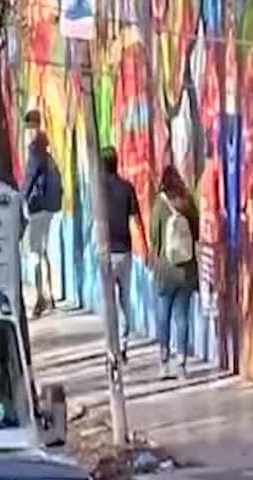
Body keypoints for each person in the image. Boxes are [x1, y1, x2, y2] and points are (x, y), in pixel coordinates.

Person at [149, 164, 200, 380]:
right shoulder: (187, 202)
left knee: (163, 315)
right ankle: (182, 363)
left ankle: (163, 361)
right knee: (182, 316)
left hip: (166, 269)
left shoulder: (160, 205)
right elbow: (196, 232)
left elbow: (155, 237)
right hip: (186, 269)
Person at [100, 147, 145, 362]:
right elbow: (136, 219)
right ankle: (124, 343)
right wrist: (144, 246)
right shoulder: (127, 188)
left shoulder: (98, 190)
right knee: (125, 299)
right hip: (125, 251)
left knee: (108, 301)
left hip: (106, 252)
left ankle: (112, 346)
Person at [22, 110, 64, 318]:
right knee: (44, 252)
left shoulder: (34, 150)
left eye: (29, 128)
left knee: (35, 254)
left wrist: (21, 198)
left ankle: (41, 297)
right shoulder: (47, 150)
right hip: (49, 206)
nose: (28, 132)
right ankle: (51, 295)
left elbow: (29, 178)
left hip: (37, 206)